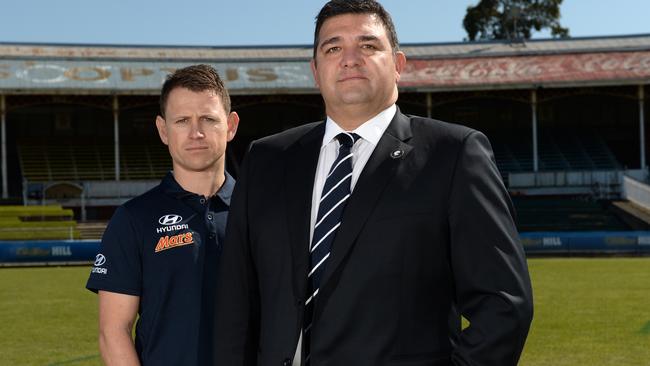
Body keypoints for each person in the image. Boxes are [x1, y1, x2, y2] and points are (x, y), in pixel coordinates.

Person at [214, 1, 533, 365]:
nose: (349, 59)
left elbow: (504, 304)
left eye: (367, 45)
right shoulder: (266, 159)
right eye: (333, 48)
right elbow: (236, 306)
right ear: (316, 71)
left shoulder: (454, 154)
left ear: (398, 64)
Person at [86, 64, 239, 365]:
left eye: (208, 119)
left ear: (231, 126)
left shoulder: (260, 212)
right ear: (163, 130)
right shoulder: (133, 219)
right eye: (182, 121)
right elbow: (113, 331)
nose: (196, 133)